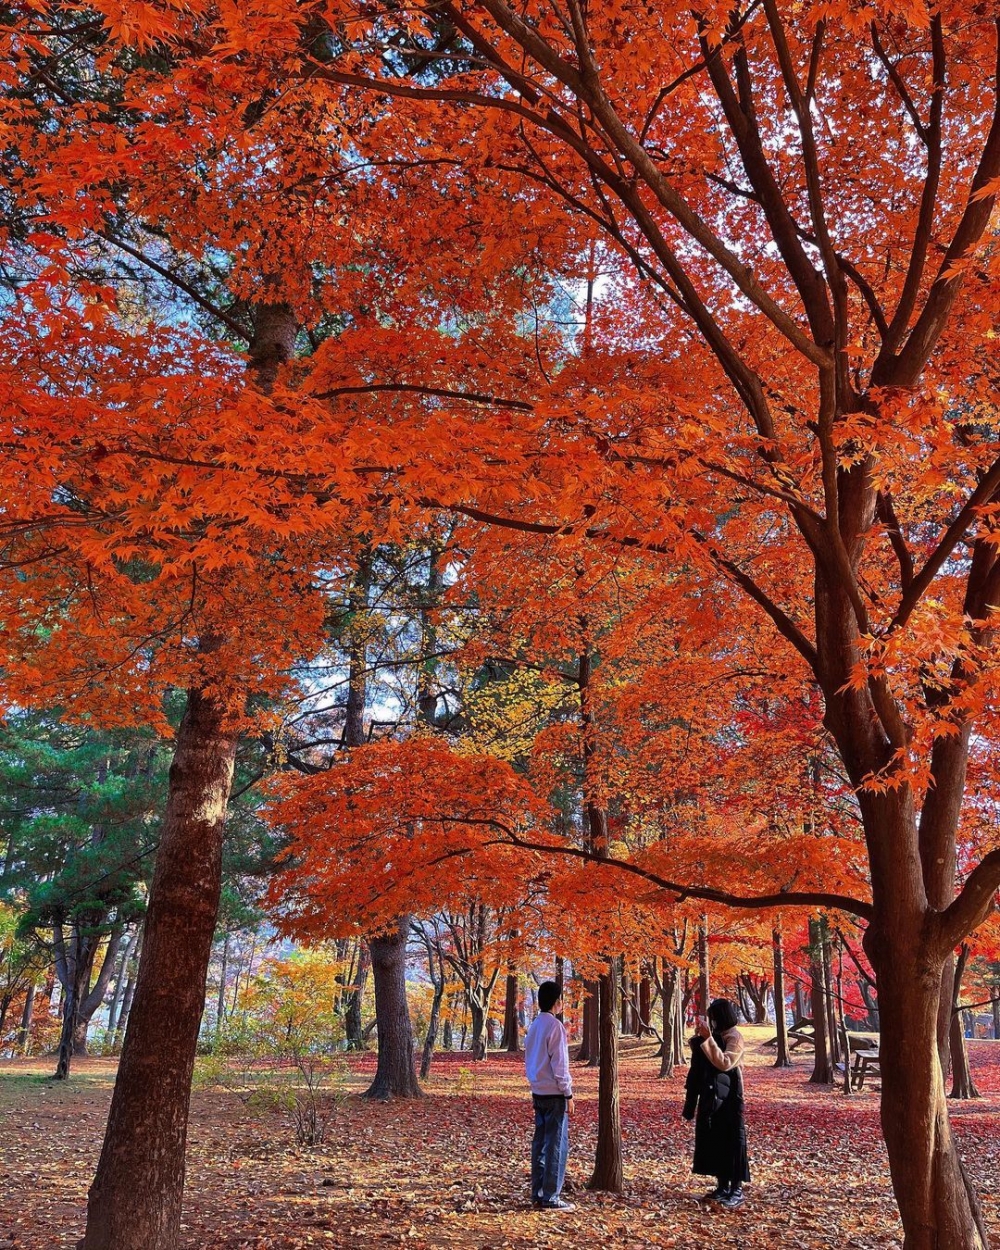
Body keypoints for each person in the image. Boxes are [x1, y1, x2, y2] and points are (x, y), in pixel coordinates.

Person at [682, 997, 750, 1209]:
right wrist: (701, 1040)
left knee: (733, 1141)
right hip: (713, 1096)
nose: (712, 1022)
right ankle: (722, 1186)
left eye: (713, 1018)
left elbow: (725, 1062)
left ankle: (736, 1189)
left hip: (731, 1098)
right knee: (717, 1140)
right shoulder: (718, 1035)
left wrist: (709, 1040)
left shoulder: (734, 1037)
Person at [524, 979, 574, 1210]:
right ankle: (551, 1197)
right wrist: (568, 1093)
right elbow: (560, 1065)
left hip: (538, 1091)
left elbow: (530, 1059)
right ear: (556, 1002)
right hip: (554, 1094)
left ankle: (538, 1192)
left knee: (540, 1144)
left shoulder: (534, 1026)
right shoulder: (555, 1027)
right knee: (556, 1144)